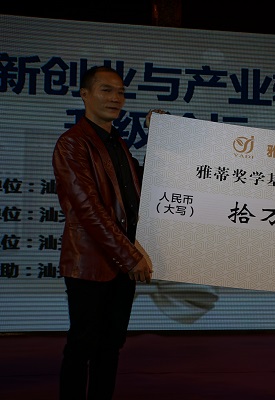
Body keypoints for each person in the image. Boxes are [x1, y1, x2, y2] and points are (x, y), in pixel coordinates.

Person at [53, 65, 155, 400]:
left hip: (122, 265)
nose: (115, 98)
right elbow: (89, 211)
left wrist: (162, 138)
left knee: (111, 345)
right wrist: (130, 257)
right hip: (90, 264)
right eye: (106, 90)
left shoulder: (118, 143)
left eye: (121, 92)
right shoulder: (72, 144)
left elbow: (144, 187)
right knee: (82, 345)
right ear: (85, 95)